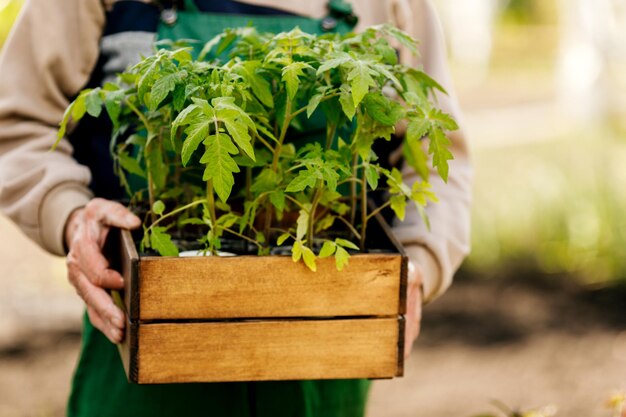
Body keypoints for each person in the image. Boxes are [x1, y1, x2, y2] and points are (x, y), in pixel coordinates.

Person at [0, 0, 471, 416]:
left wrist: (419, 263)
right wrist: (69, 216)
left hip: (324, 346)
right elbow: (19, 122)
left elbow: (436, 160)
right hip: (141, 335)